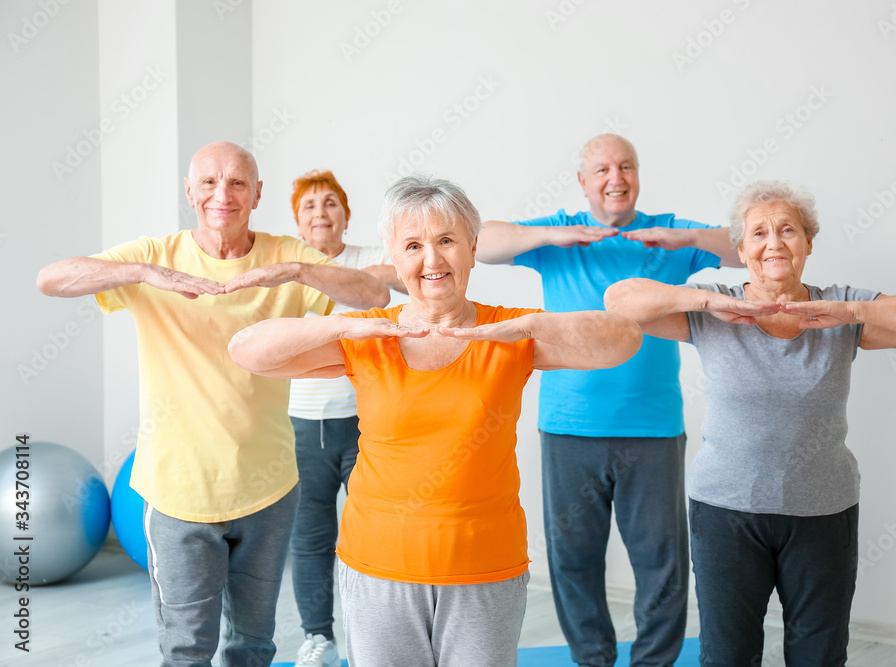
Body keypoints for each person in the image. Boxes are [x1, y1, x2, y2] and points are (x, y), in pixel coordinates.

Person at [228, 174, 644, 667]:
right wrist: (341, 322)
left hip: (484, 569)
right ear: (393, 255)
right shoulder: (366, 336)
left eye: (446, 240)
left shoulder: (508, 331)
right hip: (379, 564)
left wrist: (528, 325)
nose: (432, 260)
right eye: (413, 245)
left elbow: (623, 339)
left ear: (471, 246)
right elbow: (246, 350)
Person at [35, 141, 390, 667]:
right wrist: (143, 273)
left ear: (257, 194)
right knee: (186, 649)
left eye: (237, 183)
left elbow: (372, 295)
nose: (222, 194)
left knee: (253, 646)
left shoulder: (285, 257)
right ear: (190, 192)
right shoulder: (154, 257)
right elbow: (51, 279)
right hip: (179, 493)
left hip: (268, 489)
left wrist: (293, 272)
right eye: (208, 182)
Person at [604, 180, 896, 665]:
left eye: (788, 230)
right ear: (743, 249)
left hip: (823, 510)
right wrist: (708, 302)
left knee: (819, 653)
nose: (773, 242)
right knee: (729, 655)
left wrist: (851, 311)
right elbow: (618, 302)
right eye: (759, 233)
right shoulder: (713, 307)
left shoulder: (844, 308)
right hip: (725, 510)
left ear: (809, 243)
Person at [475, 133, 741, 666]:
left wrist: (675, 237)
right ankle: (592, 659)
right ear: (582, 182)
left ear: (638, 175)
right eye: (601, 169)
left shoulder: (673, 235)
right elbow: (480, 243)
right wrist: (556, 234)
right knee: (573, 559)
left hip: (653, 427)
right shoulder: (555, 236)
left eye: (626, 166)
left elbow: (744, 246)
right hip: (570, 427)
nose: (615, 178)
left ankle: (652, 662)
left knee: (661, 563)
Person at [285, 169, 406, 667]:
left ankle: (372, 639)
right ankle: (319, 638)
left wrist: (354, 279)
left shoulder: (365, 261)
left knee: (374, 535)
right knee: (310, 540)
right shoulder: (287, 269)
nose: (320, 213)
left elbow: (400, 276)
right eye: (310, 206)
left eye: (330, 203)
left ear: (346, 215)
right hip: (298, 423)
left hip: (363, 422)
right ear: (297, 220)